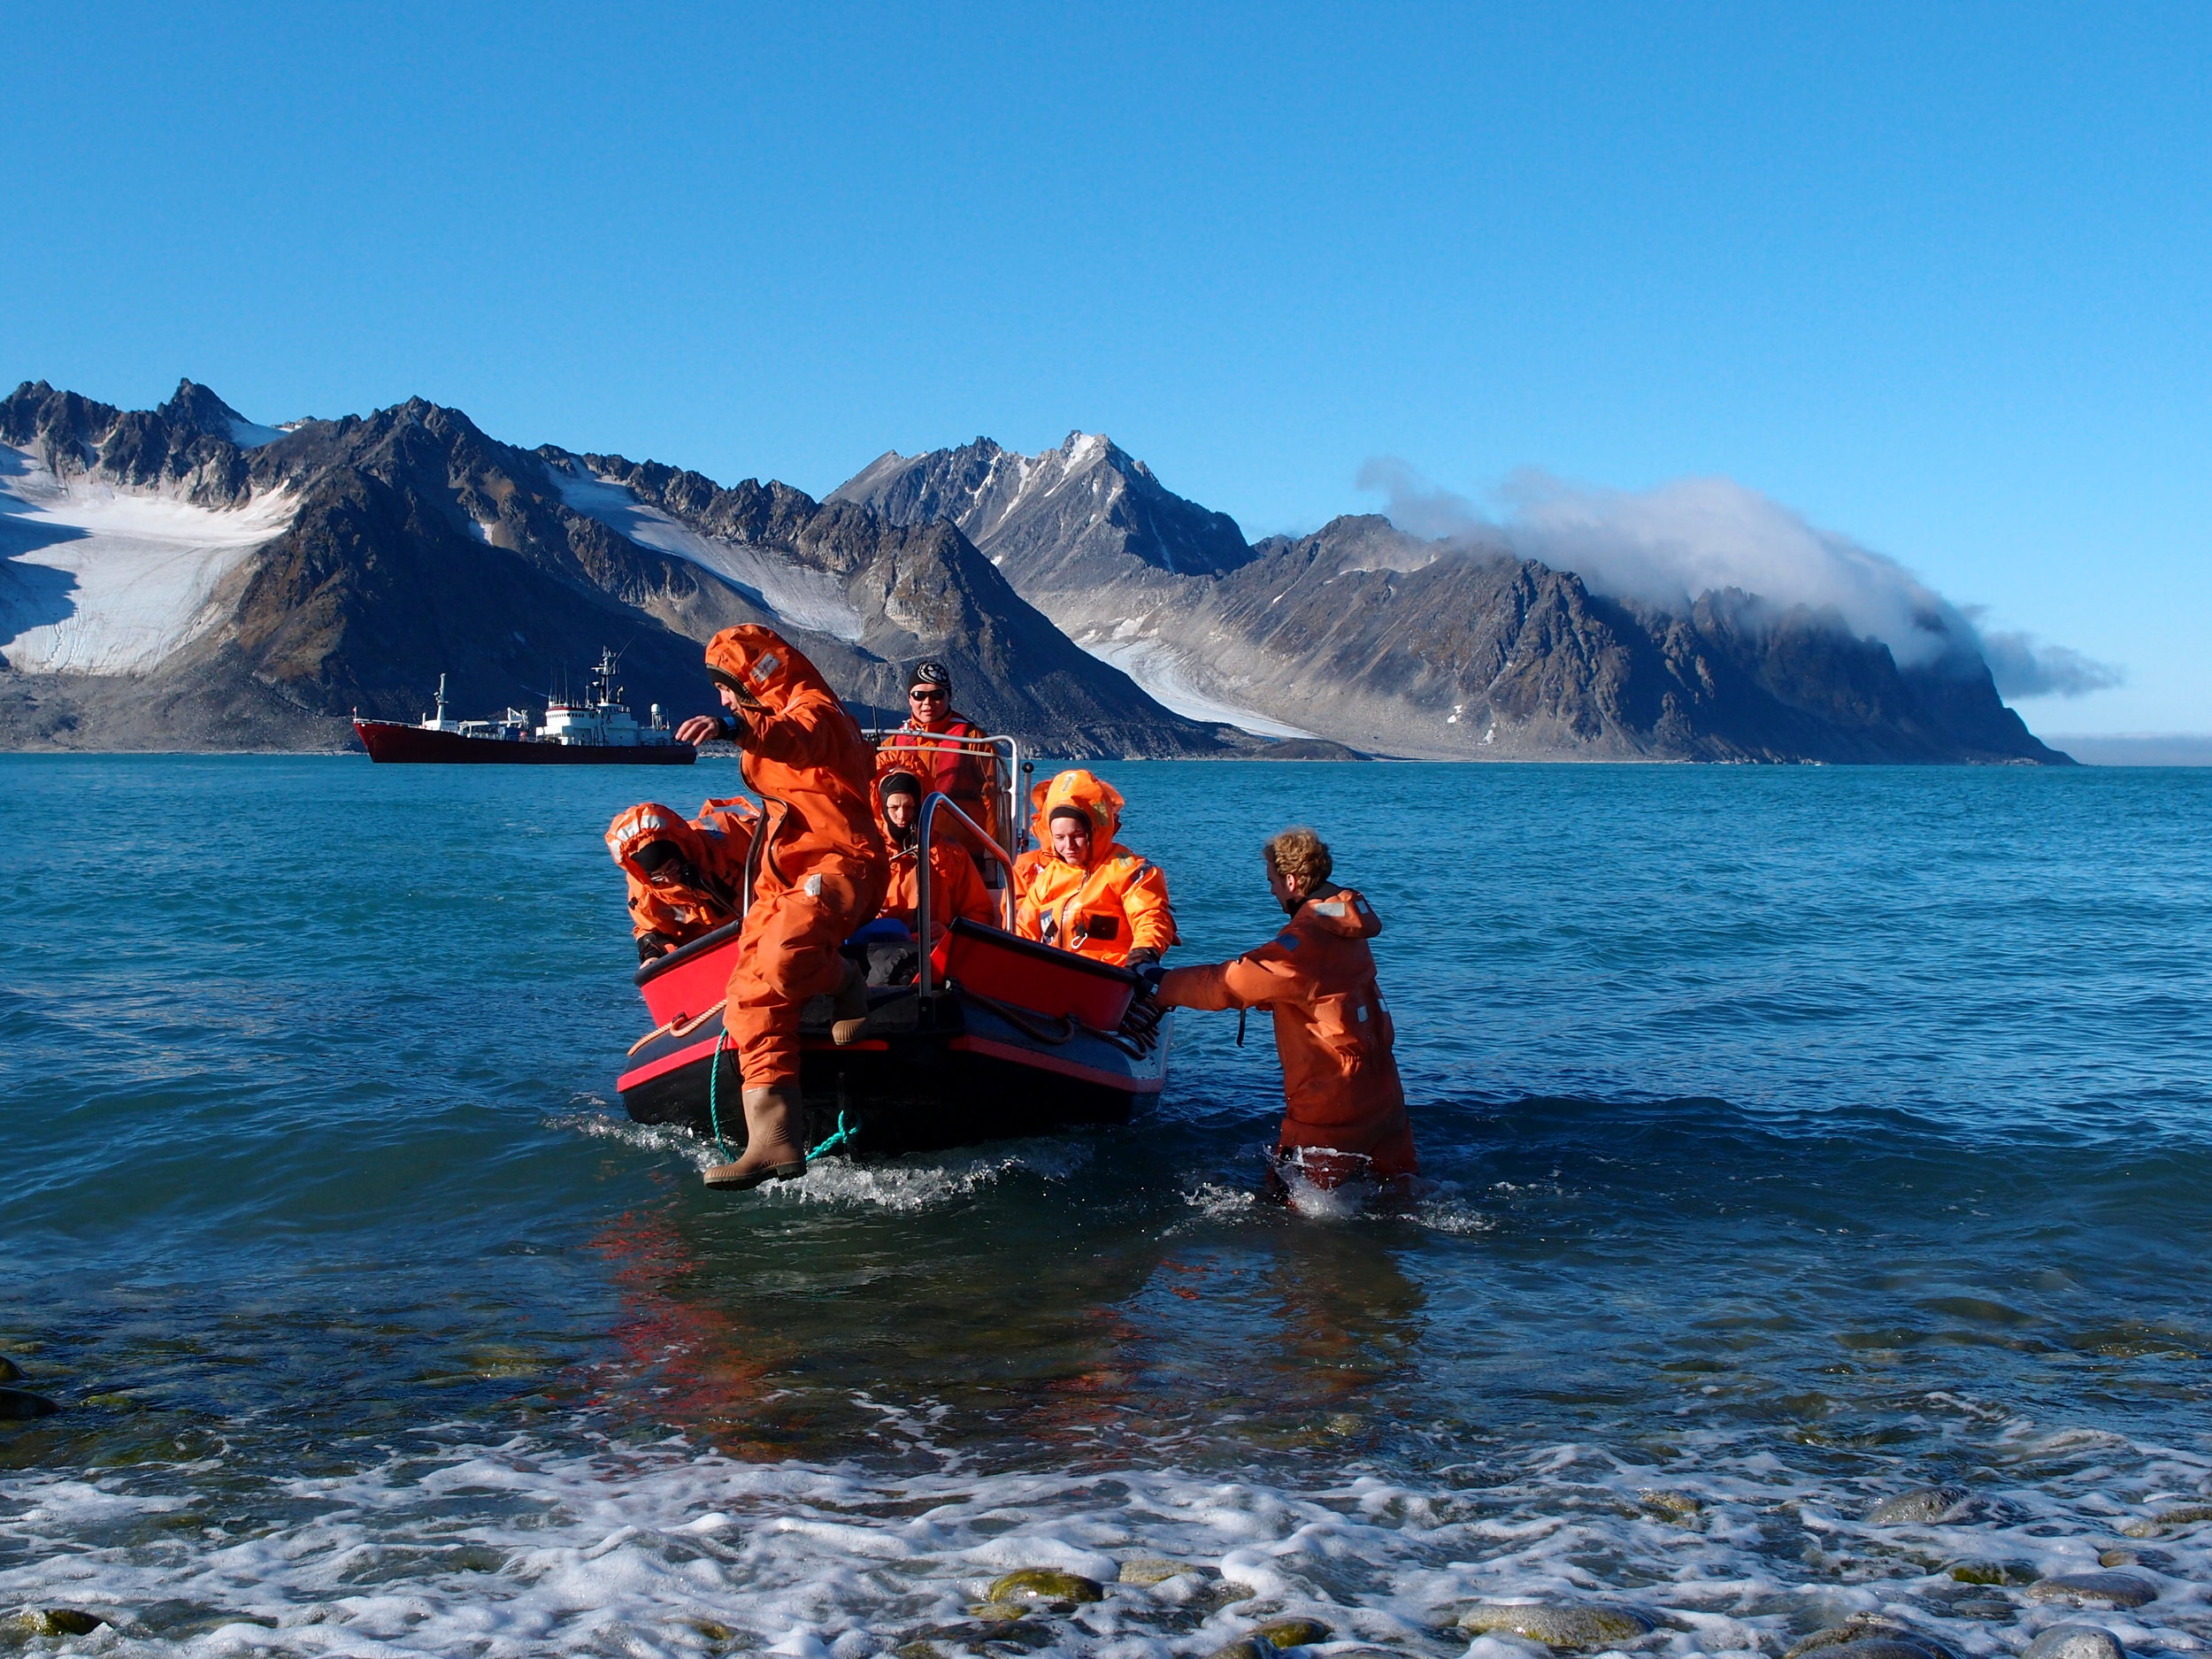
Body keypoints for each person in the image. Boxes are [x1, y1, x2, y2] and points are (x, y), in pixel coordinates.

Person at [674, 626, 890, 1192]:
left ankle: (844, 978)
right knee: (747, 991)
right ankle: (774, 1141)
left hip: (844, 864)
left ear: (754, 678)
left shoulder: (817, 711)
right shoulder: (766, 721)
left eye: (728, 686)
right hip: (782, 876)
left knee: (783, 954)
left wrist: (735, 727)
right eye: (721, 692)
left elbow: (801, 738)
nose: (722, 698)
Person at [1149, 827, 1416, 1196]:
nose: (1271, 890)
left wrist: (1160, 984)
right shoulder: (1346, 926)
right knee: (1402, 1193)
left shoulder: (1304, 940)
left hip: (1331, 1104)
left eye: (1272, 881)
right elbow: (1320, 990)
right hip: (1385, 1096)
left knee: (1291, 1205)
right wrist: (1274, 998)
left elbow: (1228, 983)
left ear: (1291, 881)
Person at [1012, 768, 1173, 969]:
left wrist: (1142, 955)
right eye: (1060, 838)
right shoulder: (1047, 879)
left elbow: (1150, 917)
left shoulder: (1130, 872)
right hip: (1051, 977)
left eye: (1077, 835)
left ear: (1093, 832)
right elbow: (1023, 930)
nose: (1068, 846)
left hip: (1109, 977)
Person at [605, 796, 759, 962]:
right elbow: (651, 929)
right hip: (713, 949)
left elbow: (781, 855)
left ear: (681, 852)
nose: (669, 878)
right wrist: (652, 954)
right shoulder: (644, 891)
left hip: (763, 920)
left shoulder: (729, 834)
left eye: (671, 867)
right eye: (658, 875)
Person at [879, 660, 999, 854]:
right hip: (906, 850)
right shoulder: (891, 744)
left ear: (948, 696)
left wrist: (992, 854)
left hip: (962, 851)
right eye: (919, 695)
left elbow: (994, 798)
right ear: (909, 698)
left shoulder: (974, 740)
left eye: (936, 695)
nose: (927, 703)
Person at [877, 767, 997, 940]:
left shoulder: (952, 854)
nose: (902, 815)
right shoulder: (869, 853)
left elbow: (980, 912)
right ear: (882, 808)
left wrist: (950, 931)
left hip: (935, 948)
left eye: (909, 806)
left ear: (920, 806)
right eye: (894, 807)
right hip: (878, 947)